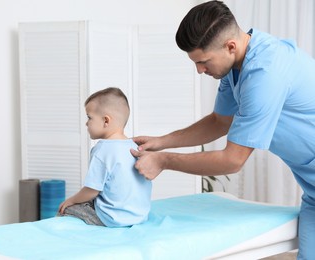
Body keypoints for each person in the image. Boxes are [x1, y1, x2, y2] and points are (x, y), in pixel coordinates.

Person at [130, 1, 315, 259]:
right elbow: (219, 121)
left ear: (230, 46)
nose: (199, 70)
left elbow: (233, 160)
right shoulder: (236, 67)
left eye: (203, 61)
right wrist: (161, 142)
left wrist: (164, 161)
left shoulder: (265, 73)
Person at [58, 87, 152, 227]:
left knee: (66, 209)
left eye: (89, 117)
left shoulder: (102, 150)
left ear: (106, 121)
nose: (86, 123)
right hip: (139, 216)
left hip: (111, 218)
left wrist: (71, 200)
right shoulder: (134, 146)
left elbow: (91, 191)